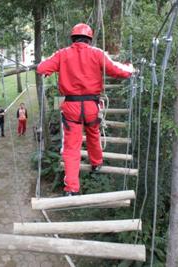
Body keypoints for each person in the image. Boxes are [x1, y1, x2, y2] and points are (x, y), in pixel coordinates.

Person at [36, 23, 135, 196]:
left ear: (73, 38)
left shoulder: (62, 54)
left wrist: (52, 70)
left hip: (71, 106)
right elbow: (118, 71)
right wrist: (131, 69)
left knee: (71, 147)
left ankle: (72, 188)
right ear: (89, 39)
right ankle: (96, 163)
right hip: (91, 106)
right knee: (93, 133)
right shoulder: (97, 53)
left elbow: (41, 68)